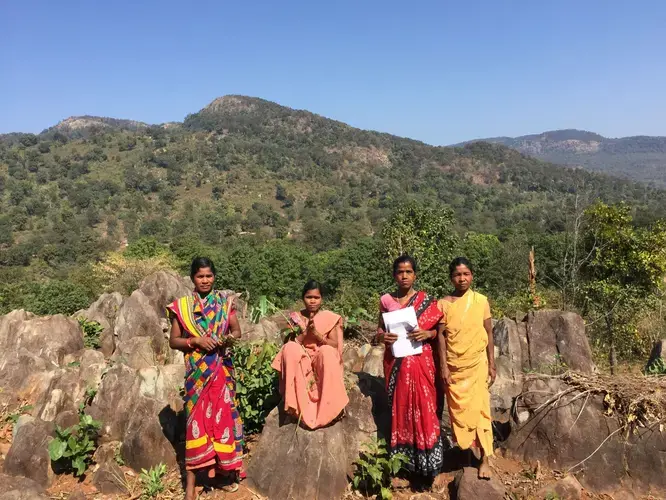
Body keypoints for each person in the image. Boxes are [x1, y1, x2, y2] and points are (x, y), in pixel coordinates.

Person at [167, 257, 244, 499]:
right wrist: (196, 341)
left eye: (209, 276)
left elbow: (236, 331)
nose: (205, 280)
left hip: (220, 371)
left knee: (221, 422)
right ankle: (190, 486)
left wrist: (226, 340)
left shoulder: (224, 303)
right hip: (197, 375)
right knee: (196, 424)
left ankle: (222, 474)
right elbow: (174, 341)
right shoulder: (182, 307)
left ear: (214, 277)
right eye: (200, 276)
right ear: (192, 278)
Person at [375, 255, 444, 480]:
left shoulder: (427, 301)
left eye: (409, 272)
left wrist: (429, 333)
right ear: (394, 275)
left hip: (421, 364)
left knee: (425, 408)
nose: (404, 276)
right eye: (400, 272)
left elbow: (440, 333)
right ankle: (405, 464)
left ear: (415, 275)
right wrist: (383, 336)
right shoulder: (386, 301)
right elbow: (377, 331)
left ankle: (428, 465)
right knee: (401, 409)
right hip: (397, 365)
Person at [437, 257, 496, 479]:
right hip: (455, 367)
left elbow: (488, 332)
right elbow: (441, 337)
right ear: (451, 277)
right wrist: (443, 366)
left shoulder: (481, 301)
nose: (462, 279)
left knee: (482, 411)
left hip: (477, 364)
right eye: (457, 275)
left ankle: (485, 459)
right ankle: (466, 450)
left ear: (472, 275)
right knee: (459, 413)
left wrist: (492, 363)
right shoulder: (443, 304)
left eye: (466, 274)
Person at [271, 280, 349, 429]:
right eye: (309, 297)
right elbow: (290, 343)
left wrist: (317, 335)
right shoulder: (295, 318)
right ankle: (294, 404)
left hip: (321, 358)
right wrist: (305, 333)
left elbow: (334, 345)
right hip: (302, 359)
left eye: (316, 297)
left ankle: (330, 408)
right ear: (303, 298)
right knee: (290, 349)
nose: (312, 301)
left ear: (322, 299)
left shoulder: (329, 317)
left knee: (327, 352)